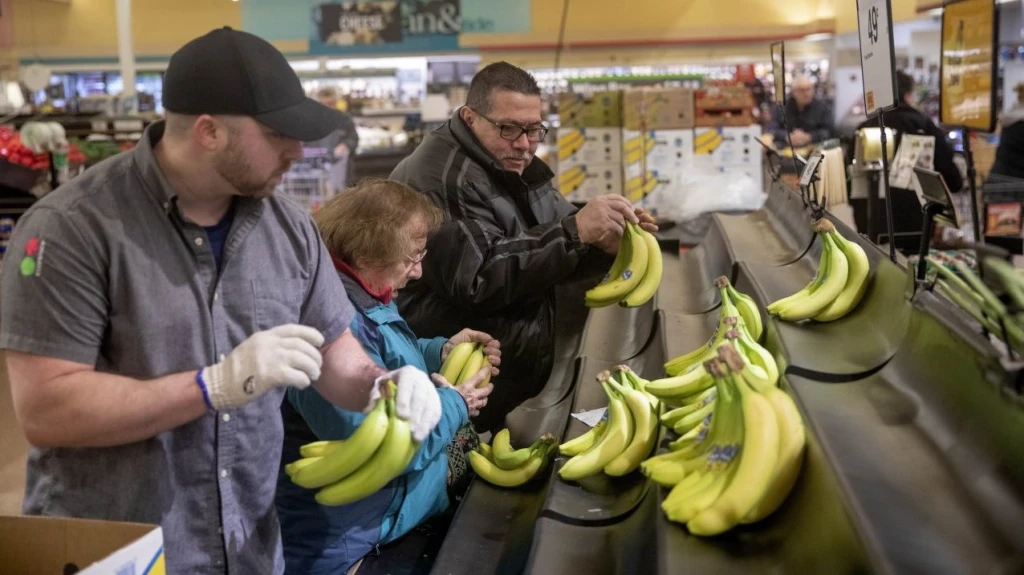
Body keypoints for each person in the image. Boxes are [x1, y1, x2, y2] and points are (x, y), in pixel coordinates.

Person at [0, 27, 442, 574]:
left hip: (249, 548)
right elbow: (48, 409)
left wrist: (381, 383)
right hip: (127, 551)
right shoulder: (72, 230)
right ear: (208, 131)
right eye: (278, 133)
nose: (297, 151)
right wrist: (213, 386)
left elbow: (336, 355)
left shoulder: (290, 231)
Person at [390, 61, 657, 433]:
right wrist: (575, 231)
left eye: (534, 129)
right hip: (460, 372)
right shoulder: (444, 180)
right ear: (470, 118)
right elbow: (478, 280)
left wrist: (600, 244)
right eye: (509, 128)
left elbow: (551, 242)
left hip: (511, 364)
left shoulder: (512, 160)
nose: (524, 142)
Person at [275, 179, 498, 574]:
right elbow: (378, 443)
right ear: (368, 252)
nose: (418, 272)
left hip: (381, 525)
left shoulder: (358, 295)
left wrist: (437, 352)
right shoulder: (327, 320)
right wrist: (456, 405)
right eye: (411, 257)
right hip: (351, 548)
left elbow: (383, 357)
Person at [852, 71, 964, 243]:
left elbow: (851, 179)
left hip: (871, 219)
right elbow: (951, 177)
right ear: (907, 95)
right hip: (915, 222)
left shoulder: (864, 129)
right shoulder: (924, 125)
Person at [306, 87, 360, 190]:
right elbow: (305, 143)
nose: (329, 107)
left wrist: (345, 145)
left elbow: (354, 138)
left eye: (331, 103)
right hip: (317, 171)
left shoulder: (344, 119)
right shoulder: (310, 121)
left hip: (342, 171)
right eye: (324, 104)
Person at [770, 75, 835, 147]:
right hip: (786, 150)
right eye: (801, 90)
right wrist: (786, 136)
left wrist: (810, 137)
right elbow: (772, 129)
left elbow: (830, 131)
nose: (806, 94)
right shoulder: (781, 108)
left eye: (809, 89)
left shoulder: (823, 107)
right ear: (793, 92)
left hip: (814, 150)